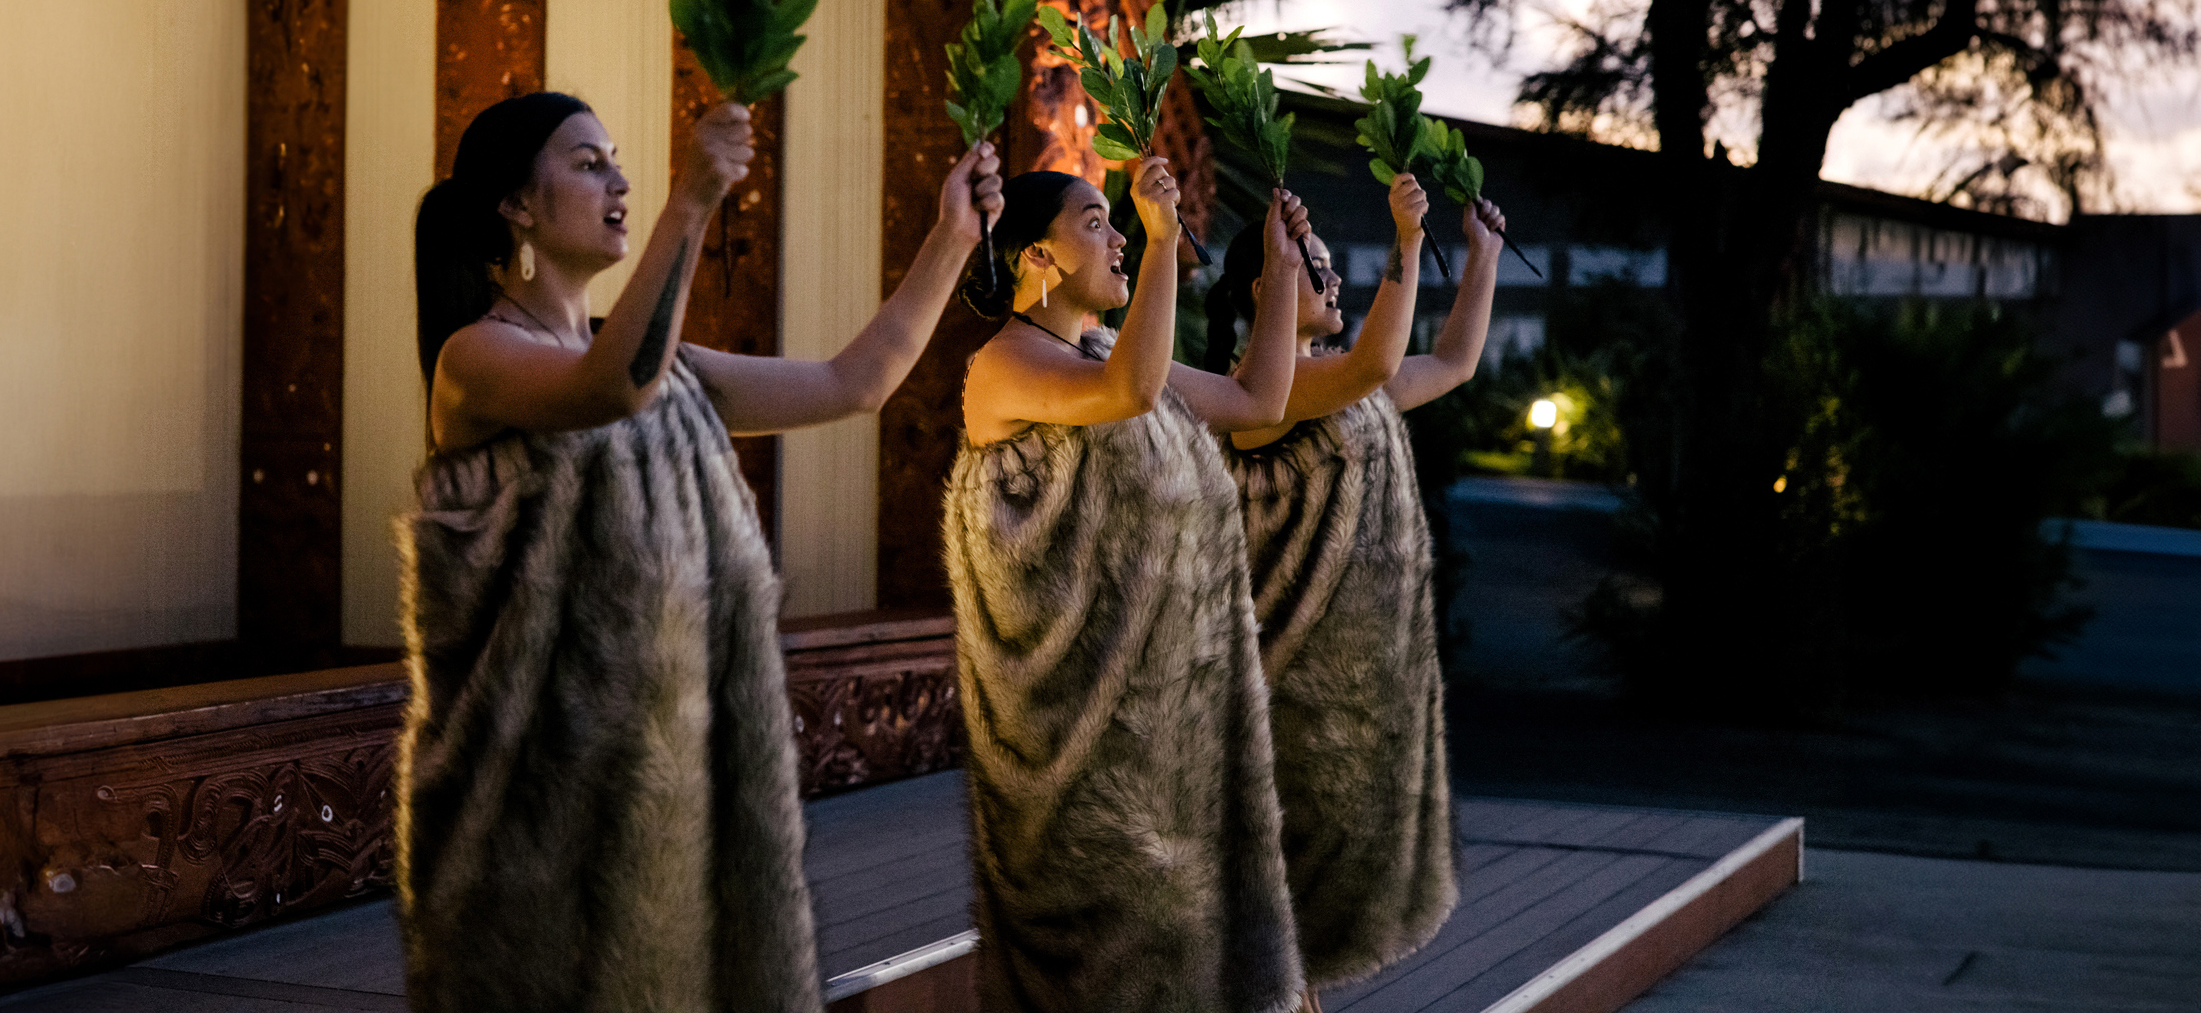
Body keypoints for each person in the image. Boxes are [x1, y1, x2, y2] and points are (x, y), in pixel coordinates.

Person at [395, 91, 1002, 1013]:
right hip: (531, 811)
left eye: (618, 160)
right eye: (588, 163)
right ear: (516, 205)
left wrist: (952, 235)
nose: (620, 181)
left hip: (663, 788)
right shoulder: (476, 360)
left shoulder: (663, 362)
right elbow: (610, 388)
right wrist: (693, 200)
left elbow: (856, 381)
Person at [945, 157, 1311, 1013]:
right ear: (1037, 256)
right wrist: (1156, 240)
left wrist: (1283, 271)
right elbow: (1130, 393)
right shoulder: (1001, 366)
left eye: (1117, 222)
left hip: (1154, 706)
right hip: (1065, 726)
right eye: (1094, 222)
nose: (1114, 236)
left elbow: (1258, 400)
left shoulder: (1104, 347)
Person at [1209, 176, 1506, 1001]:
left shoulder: (1336, 383)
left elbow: (1451, 361)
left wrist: (1479, 256)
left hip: (1346, 697)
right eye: (1315, 265)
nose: (1335, 279)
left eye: (1337, 267)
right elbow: (1377, 359)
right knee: (1273, 936)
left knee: (1301, 938)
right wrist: (1407, 243)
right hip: (1281, 691)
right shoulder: (1259, 396)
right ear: (1266, 282)